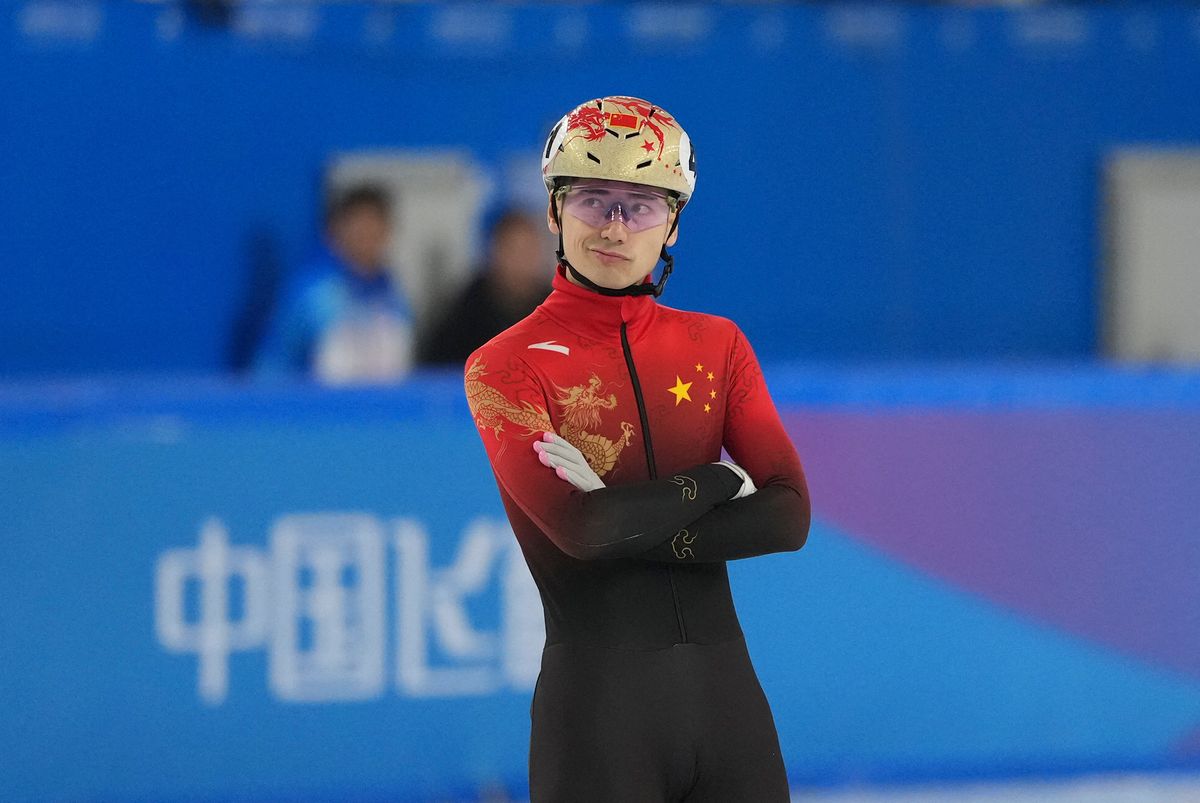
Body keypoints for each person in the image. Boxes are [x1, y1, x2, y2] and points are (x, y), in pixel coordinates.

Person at [464, 96, 811, 801]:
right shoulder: (507, 364)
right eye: (594, 199)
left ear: (673, 225)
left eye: (641, 205)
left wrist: (633, 515)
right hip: (598, 721)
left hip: (731, 712)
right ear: (556, 212)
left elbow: (788, 516)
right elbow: (584, 529)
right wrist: (716, 481)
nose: (615, 227)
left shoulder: (717, 345)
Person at [254, 184, 414, 384]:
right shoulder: (313, 296)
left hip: (383, 412)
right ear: (335, 231)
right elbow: (272, 367)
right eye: (358, 227)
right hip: (321, 412)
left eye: (374, 226)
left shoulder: (395, 298)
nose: (367, 236)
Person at [418, 208, 552, 366]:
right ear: (494, 253)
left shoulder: (555, 307)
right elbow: (436, 369)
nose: (521, 261)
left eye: (528, 250)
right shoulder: (466, 311)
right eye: (513, 250)